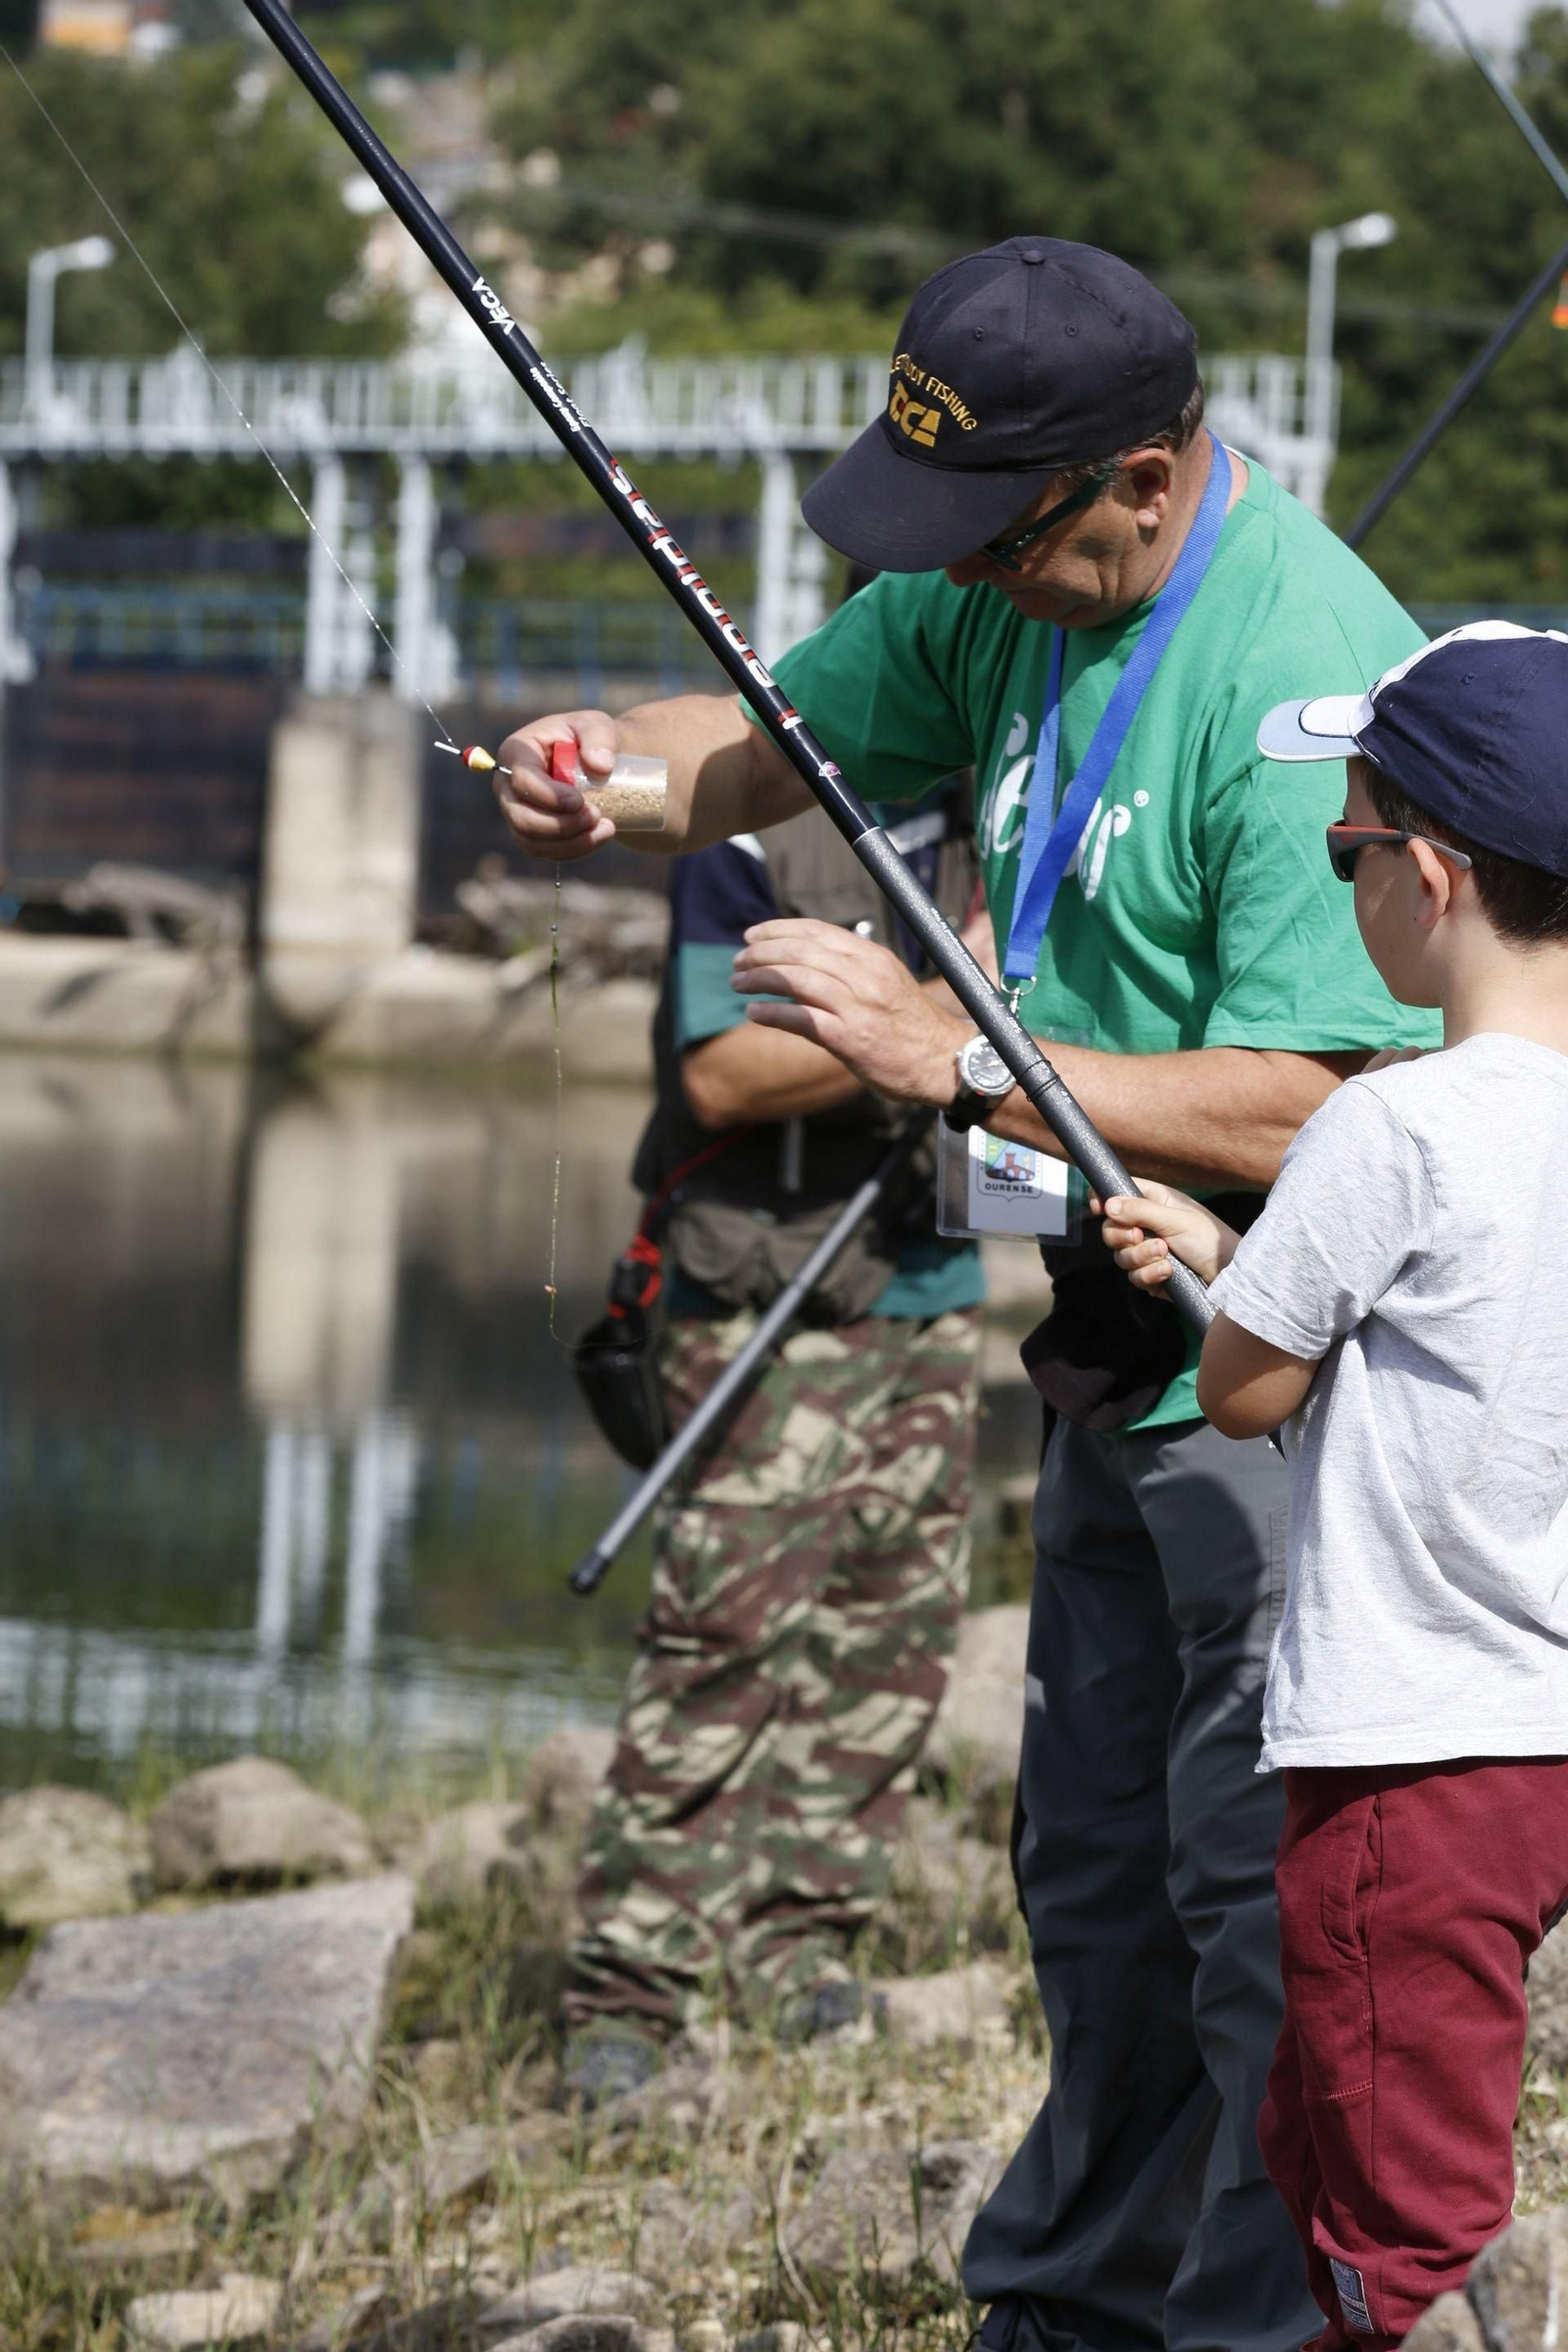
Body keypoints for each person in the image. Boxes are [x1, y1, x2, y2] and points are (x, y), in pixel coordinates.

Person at [493, 236, 1437, 2352]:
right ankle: (1061, 2319)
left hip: (1282, 1396)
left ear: (1134, 479)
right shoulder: (1005, 577)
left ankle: (1260, 2329)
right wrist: (598, 772)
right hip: (1112, 1367)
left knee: (1249, 1921)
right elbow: (741, 753)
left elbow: (1336, 1118)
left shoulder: (1295, 686)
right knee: (1093, 1904)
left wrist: (966, 1056)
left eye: (990, 535)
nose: (957, 580)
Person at [1098, 620, 1568, 2350]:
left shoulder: (1389, 1124)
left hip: (1400, 1752)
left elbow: (1244, 1391)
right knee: (1348, 2106)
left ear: (1430, 878)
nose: (1342, 880)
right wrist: (1250, 1248)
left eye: (1344, 848)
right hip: (1547, 1730)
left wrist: (1240, 1275)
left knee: (1396, 2194)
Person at [562, 779, 987, 2105]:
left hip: (935, 1292)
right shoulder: (750, 822)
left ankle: (799, 1950)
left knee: (890, 1641)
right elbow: (720, 1065)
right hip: (760, 1297)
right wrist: (932, 1016)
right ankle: (627, 1995)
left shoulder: (1019, 794)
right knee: (724, 1640)